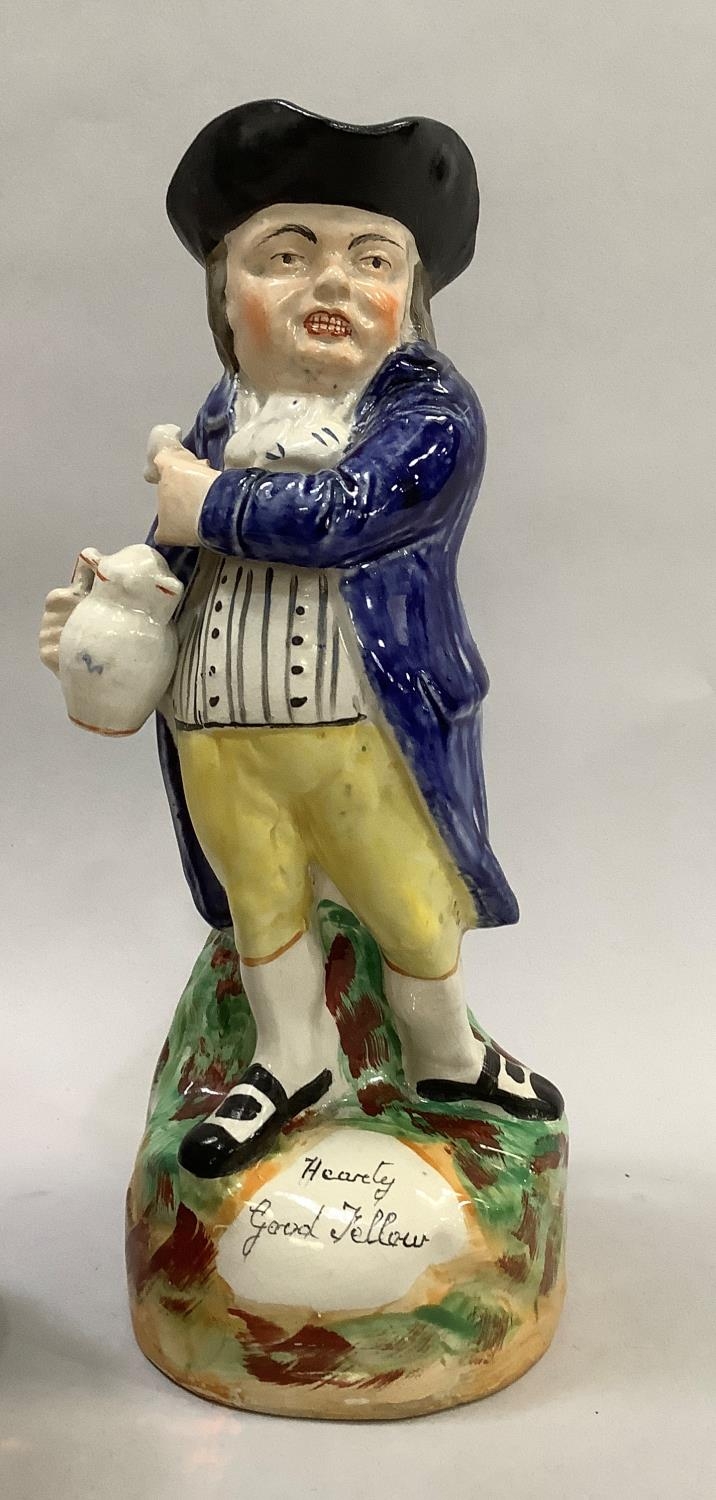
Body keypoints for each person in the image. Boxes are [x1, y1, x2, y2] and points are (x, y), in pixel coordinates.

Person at [41, 101, 562, 1177]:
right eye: (286, 255)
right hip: (218, 717)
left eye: (370, 259)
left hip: (361, 722)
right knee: (260, 896)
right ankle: (291, 1059)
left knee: (408, 899)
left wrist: (206, 507)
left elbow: (351, 514)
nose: (331, 282)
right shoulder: (220, 417)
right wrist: (118, 609)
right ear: (225, 293)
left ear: (409, 297)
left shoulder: (425, 412)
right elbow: (171, 551)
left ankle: (445, 1054)